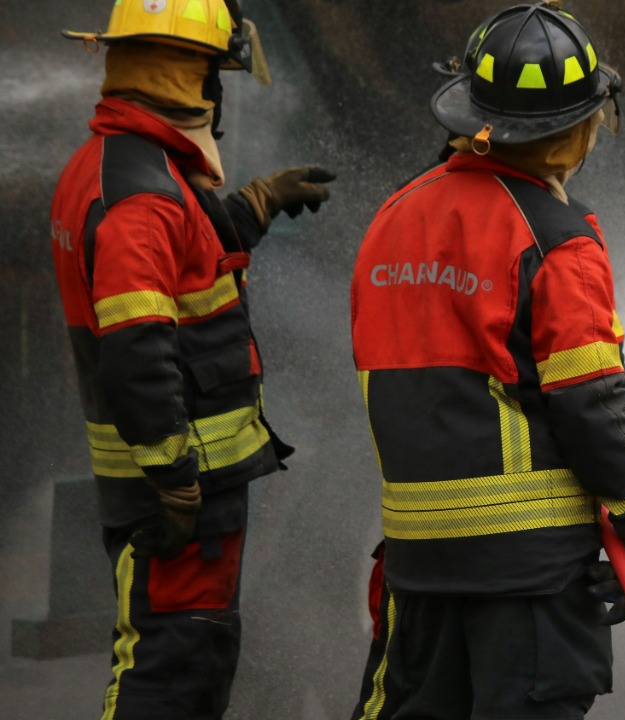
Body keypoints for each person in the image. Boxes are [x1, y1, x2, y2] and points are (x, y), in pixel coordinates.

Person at [348, 4, 625, 719]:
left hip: (417, 570)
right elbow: (588, 402)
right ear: (577, 127)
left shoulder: (393, 217)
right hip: (528, 583)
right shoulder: (559, 241)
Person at [50, 1, 335, 717]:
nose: (220, 97)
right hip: (179, 495)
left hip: (182, 486)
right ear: (189, 76)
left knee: (192, 662)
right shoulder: (140, 197)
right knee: (167, 672)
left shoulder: (127, 168)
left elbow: (179, 265)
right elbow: (139, 348)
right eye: (216, 76)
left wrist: (253, 207)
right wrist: (175, 480)